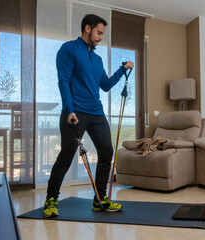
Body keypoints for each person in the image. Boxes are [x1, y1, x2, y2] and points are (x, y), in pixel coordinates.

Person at [43, 14, 134, 218]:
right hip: (75, 112)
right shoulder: (69, 49)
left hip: (96, 112)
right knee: (66, 156)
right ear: (87, 28)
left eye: (102, 33)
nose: (101, 37)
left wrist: (121, 70)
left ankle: (99, 199)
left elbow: (105, 85)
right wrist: (69, 109)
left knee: (107, 152)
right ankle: (50, 200)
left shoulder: (98, 59)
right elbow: (63, 81)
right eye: (99, 32)